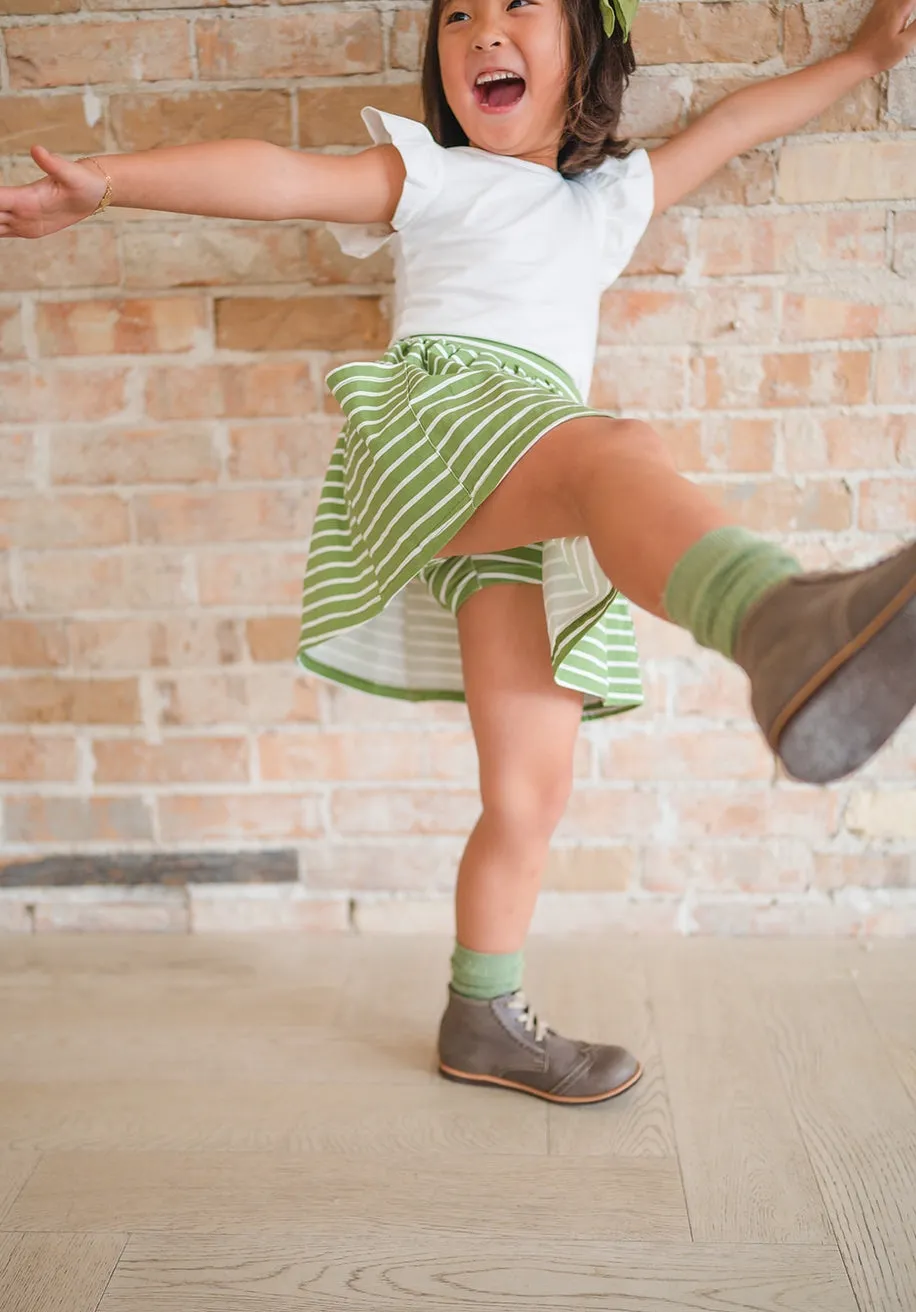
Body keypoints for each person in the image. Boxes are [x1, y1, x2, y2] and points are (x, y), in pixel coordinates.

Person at [4, 0, 914, 1106]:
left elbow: (732, 127)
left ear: (587, 46)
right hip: (446, 427)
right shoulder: (433, 176)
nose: (483, 29)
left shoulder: (607, 204)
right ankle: (775, 617)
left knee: (530, 791)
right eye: (457, 16)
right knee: (614, 450)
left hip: (521, 484)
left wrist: (864, 58)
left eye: (517, 6)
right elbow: (278, 177)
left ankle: (480, 1014)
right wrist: (107, 183)